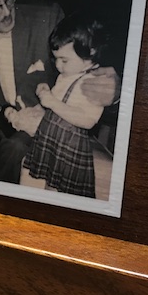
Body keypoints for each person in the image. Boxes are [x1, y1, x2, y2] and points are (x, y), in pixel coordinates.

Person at [0, 0, 119, 184]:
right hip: (5, 114)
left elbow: (88, 59)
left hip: (43, 119)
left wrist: (116, 90)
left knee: (15, 148)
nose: (7, 12)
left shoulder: (48, 17)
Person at [22, 14, 108, 198]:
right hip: (53, 140)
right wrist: (48, 93)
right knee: (40, 183)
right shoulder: (68, 73)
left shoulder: (94, 83)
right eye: (56, 59)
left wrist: (52, 102)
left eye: (64, 60)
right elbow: (60, 101)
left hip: (68, 147)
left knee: (58, 191)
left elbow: (87, 120)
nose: (58, 66)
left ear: (90, 53)